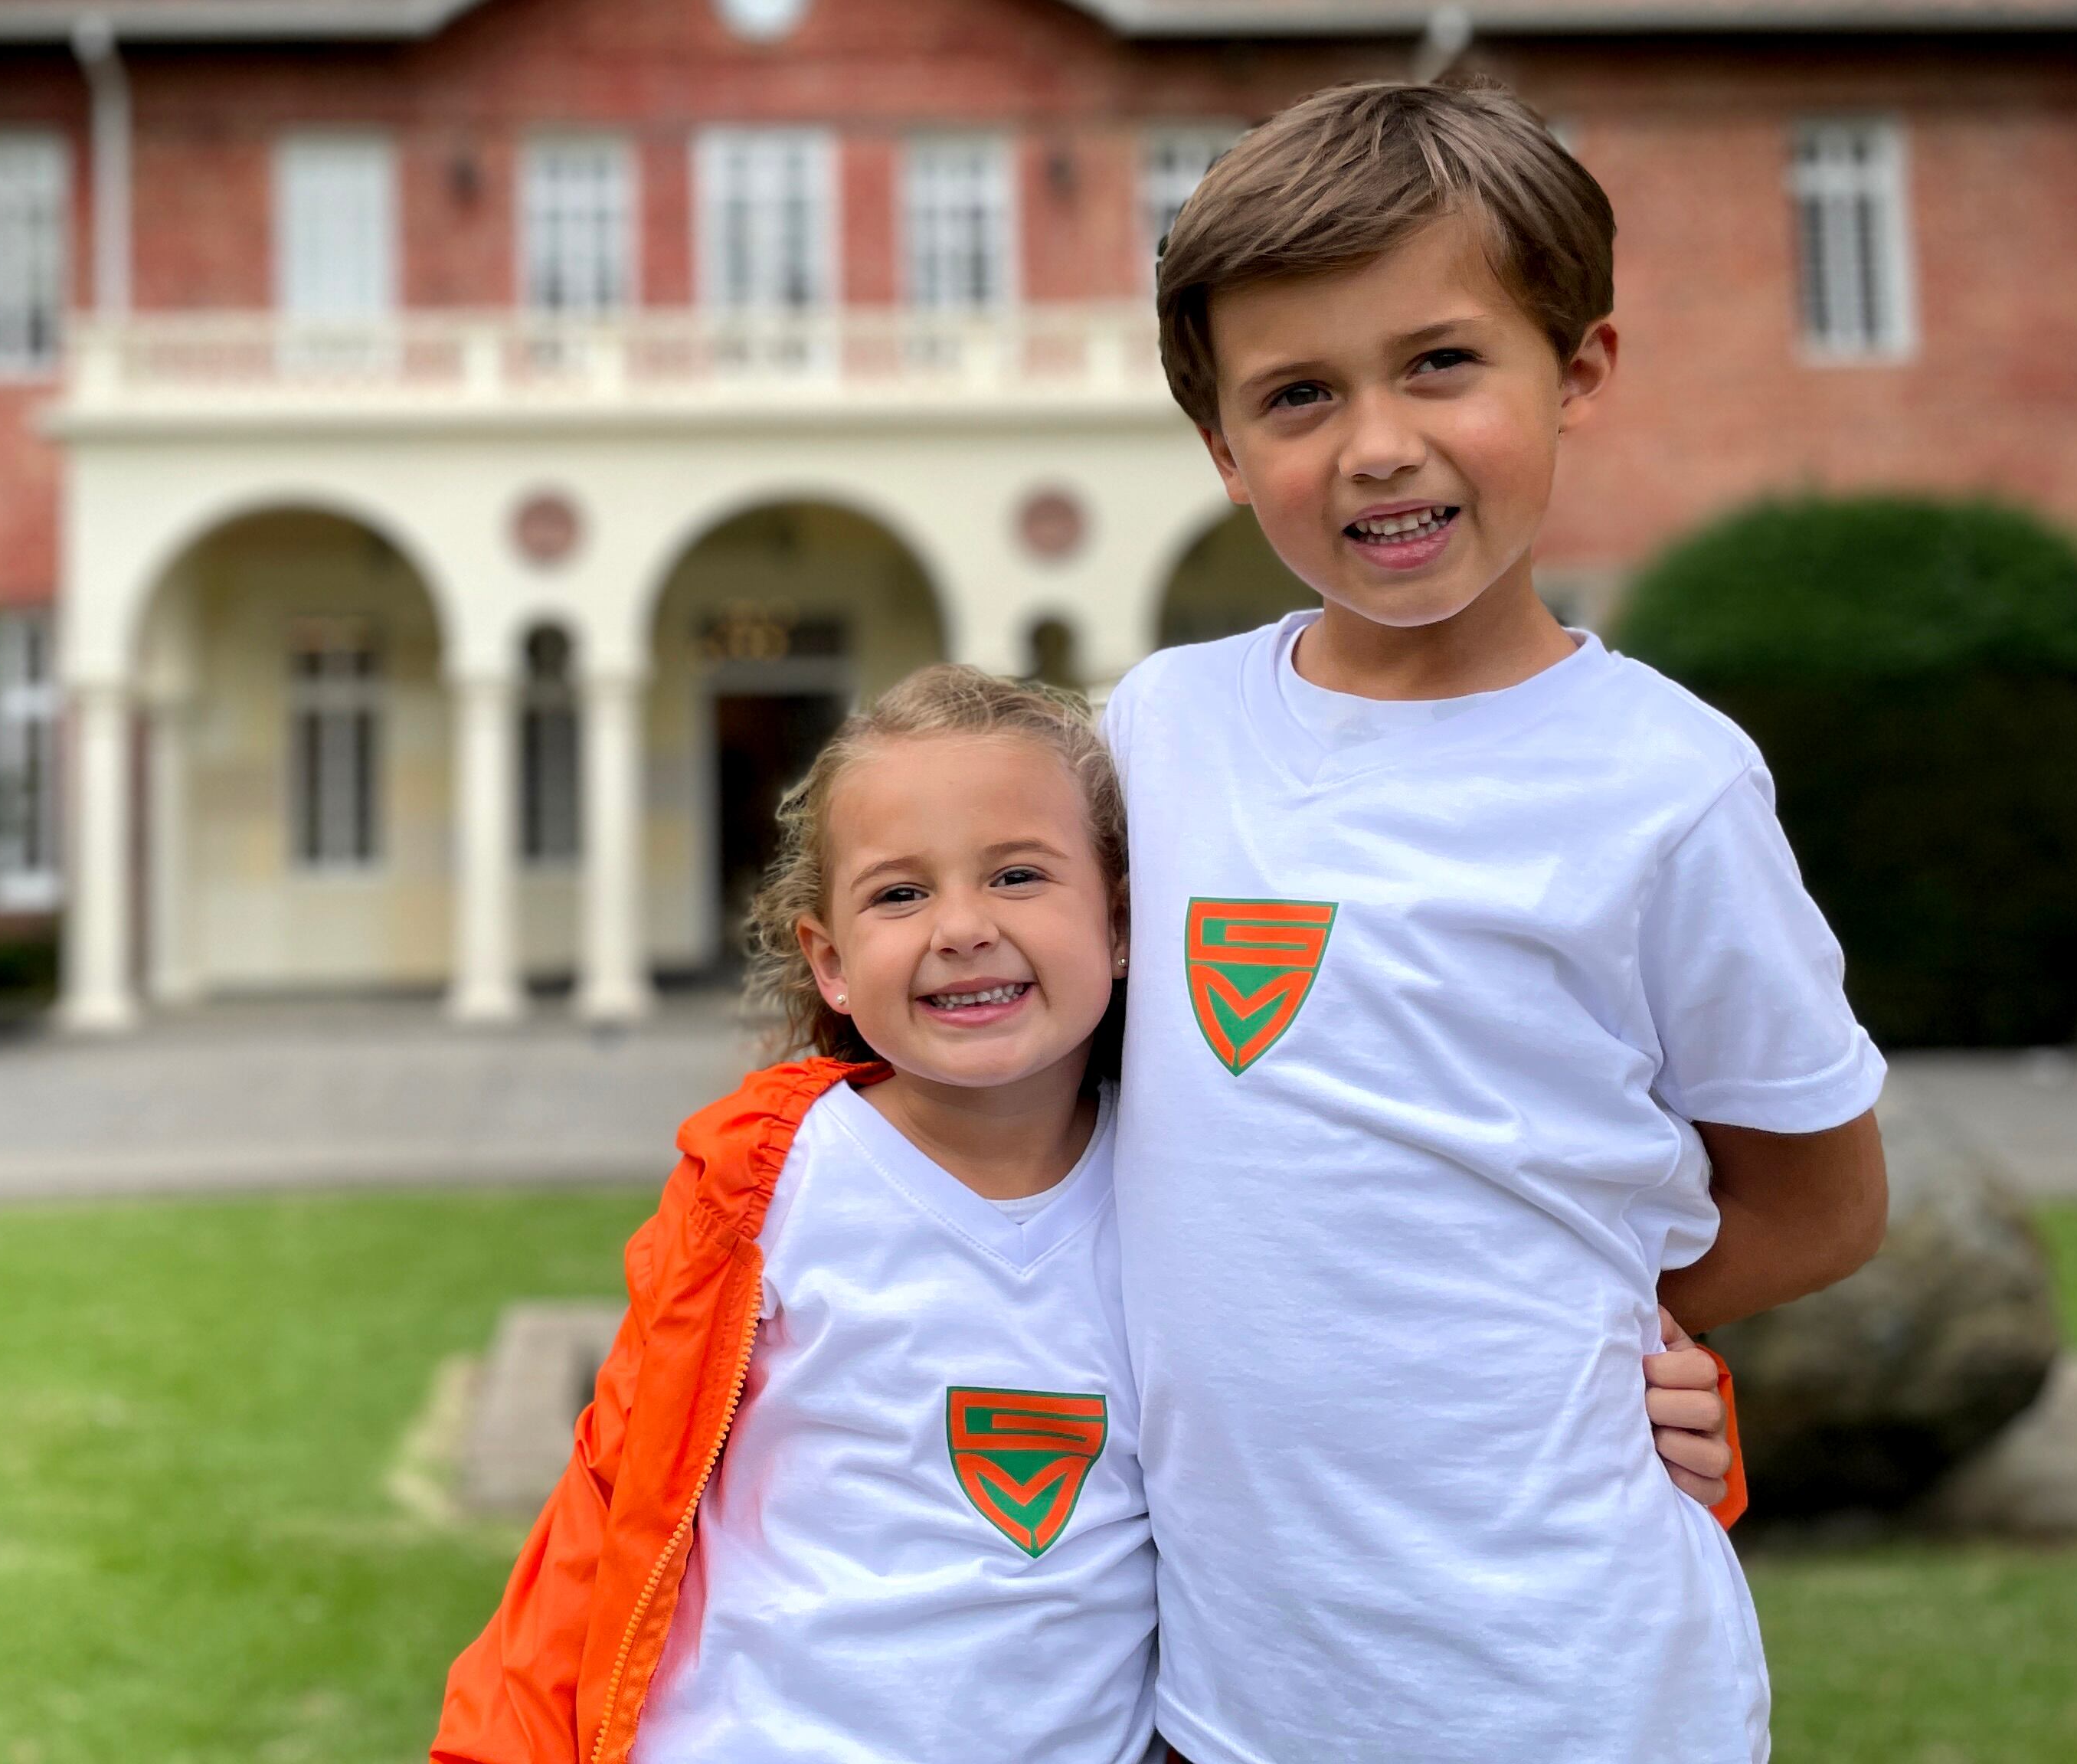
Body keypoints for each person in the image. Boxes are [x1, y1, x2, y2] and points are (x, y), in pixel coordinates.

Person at [433, 663, 1742, 1764]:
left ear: (1122, 926)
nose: (961, 928)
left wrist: (1655, 1417)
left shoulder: (1201, 1184)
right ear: (827, 961)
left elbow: (1373, 1376)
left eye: (1017, 875)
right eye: (899, 893)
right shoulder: (767, 1181)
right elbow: (614, 1500)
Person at [1115, 78, 1892, 1764]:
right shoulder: (1156, 731)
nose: (1376, 444)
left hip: (1566, 1683)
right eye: (1299, 394)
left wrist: (1598, 1321)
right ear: (1224, 449)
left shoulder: (1669, 785)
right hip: (1233, 1697)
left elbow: (1823, 1202)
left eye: (1441, 363)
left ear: (1578, 369)